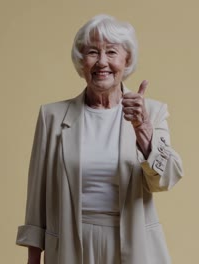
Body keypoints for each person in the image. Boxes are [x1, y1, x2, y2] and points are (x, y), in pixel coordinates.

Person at [15, 14, 184, 264]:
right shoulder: (51, 116)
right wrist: (32, 258)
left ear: (127, 60)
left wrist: (144, 133)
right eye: (93, 52)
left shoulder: (151, 112)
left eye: (112, 52)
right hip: (69, 244)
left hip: (135, 244)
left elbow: (167, 179)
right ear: (81, 61)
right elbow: (37, 195)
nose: (102, 62)